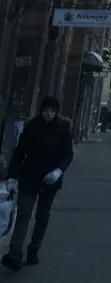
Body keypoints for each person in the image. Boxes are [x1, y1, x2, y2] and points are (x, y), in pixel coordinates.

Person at [2, 96, 74, 271]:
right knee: (23, 217)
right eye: (45, 110)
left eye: (52, 111)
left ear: (56, 112)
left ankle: (34, 249)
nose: (48, 114)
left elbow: (68, 154)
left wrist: (58, 171)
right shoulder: (32, 127)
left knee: (42, 215)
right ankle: (14, 254)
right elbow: (19, 153)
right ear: (41, 110)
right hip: (29, 177)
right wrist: (12, 177)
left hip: (51, 180)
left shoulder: (63, 129)